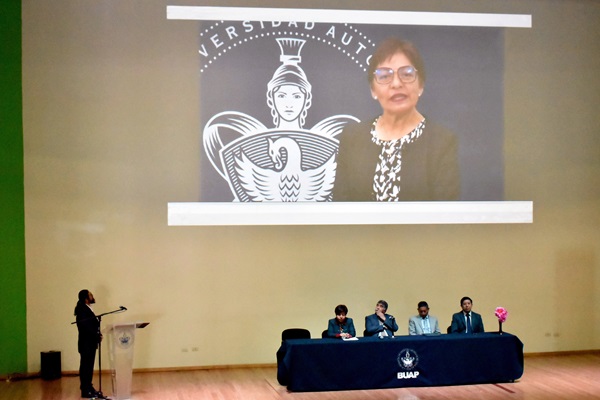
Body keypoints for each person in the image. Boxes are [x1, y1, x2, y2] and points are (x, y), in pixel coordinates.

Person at [333, 37, 460, 201]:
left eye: (406, 74)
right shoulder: (352, 138)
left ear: (421, 85)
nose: (396, 84)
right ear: (373, 89)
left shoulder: (442, 142)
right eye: (385, 76)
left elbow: (444, 215)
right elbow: (341, 208)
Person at [74, 289, 102, 398]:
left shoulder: (86, 309)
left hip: (90, 343)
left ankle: (89, 387)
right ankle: (85, 390)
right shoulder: (82, 310)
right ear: (86, 298)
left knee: (89, 367)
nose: (92, 296)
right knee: (86, 367)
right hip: (86, 343)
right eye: (90, 295)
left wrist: (97, 335)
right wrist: (96, 335)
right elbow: (85, 327)